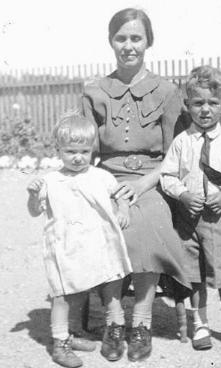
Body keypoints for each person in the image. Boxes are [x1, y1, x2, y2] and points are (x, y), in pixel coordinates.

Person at [81, 8, 191, 362]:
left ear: (149, 42)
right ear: (111, 41)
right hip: (106, 177)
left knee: (148, 222)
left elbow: (177, 153)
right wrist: (102, 187)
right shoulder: (96, 92)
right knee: (105, 222)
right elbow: (87, 152)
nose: (128, 46)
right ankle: (114, 320)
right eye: (121, 38)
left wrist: (145, 183)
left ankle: (140, 321)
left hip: (153, 178)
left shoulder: (166, 91)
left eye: (136, 38)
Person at [160, 65, 221, 355]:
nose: (205, 110)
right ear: (187, 106)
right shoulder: (181, 142)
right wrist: (184, 194)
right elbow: (167, 176)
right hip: (188, 221)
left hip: (218, 220)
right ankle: (200, 323)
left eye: (213, 103)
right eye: (198, 103)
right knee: (195, 274)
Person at [27, 113, 133, 368]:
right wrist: (32, 195)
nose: (78, 157)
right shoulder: (51, 181)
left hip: (99, 243)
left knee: (111, 287)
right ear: (58, 150)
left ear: (92, 150)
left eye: (84, 151)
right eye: (70, 151)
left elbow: (121, 195)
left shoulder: (101, 176)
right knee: (63, 295)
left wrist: (123, 210)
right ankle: (61, 342)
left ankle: (114, 332)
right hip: (66, 247)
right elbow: (34, 211)